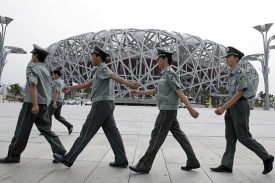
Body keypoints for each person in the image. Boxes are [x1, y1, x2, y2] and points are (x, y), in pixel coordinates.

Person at [53, 45, 140, 167]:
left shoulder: (102, 68)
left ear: (98, 57)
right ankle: (121, 159)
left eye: (92, 56)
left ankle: (68, 158)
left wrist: (129, 84)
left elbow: (113, 76)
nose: (91, 59)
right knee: (113, 133)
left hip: (100, 105)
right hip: (108, 105)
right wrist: (71, 88)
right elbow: (88, 83)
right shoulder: (98, 70)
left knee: (86, 131)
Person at [129, 48, 200, 174]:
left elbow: (178, 91)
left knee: (156, 137)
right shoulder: (163, 74)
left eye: (158, 59)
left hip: (167, 111)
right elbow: (155, 91)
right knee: (180, 136)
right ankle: (193, 160)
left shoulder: (169, 73)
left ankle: (144, 165)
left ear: (165, 59)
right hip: (168, 110)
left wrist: (190, 109)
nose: (157, 61)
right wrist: (139, 92)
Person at [210, 46, 274, 174]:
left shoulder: (240, 73)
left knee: (243, 137)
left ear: (236, 58)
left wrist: (223, 107)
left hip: (240, 106)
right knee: (230, 136)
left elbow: (239, 94)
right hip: (232, 107)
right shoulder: (231, 74)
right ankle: (227, 165)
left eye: (229, 56)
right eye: (226, 57)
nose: (226, 59)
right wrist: (227, 107)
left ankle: (266, 158)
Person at [0, 44, 66, 164]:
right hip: (44, 104)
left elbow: (33, 85)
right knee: (46, 129)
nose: (31, 56)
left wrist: (34, 103)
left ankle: (13, 156)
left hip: (32, 105)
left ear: (36, 55)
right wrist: (27, 97)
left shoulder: (32, 67)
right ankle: (61, 151)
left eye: (32, 54)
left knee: (21, 130)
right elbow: (43, 88)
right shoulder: (45, 70)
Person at [48, 69, 73, 134]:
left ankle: (47, 130)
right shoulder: (62, 82)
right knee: (57, 116)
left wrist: (54, 102)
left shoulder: (57, 82)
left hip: (55, 100)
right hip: (60, 101)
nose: (53, 76)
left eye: (53, 74)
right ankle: (69, 125)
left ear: (56, 74)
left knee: (48, 115)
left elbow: (56, 92)